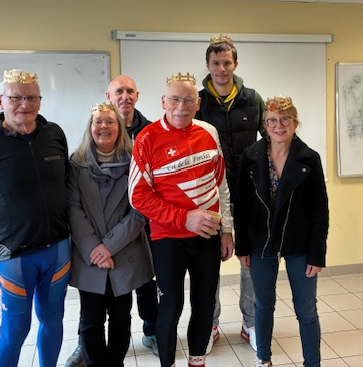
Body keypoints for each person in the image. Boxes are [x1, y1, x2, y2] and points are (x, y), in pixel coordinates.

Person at [0, 69, 71, 367]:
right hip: (15, 256)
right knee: (16, 330)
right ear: (0, 101)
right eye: (15, 97)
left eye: (31, 97)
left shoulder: (54, 134)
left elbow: (65, 183)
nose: (24, 104)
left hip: (58, 249)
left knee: (53, 320)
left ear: (40, 101)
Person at [128, 72, 234, 367]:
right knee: (171, 306)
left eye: (188, 100)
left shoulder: (209, 132)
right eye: (175, 99)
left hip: (208, 235)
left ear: (198, 103)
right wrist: (184, 218)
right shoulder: (147, 138)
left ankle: (197, 361)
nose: (181, 107)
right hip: (168, 239)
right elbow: (138, 196)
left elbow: (221, 185)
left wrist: (227, 230)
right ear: (164, 101)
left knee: (204, 305)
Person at [65, 75, 159, 367]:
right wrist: (95, 247)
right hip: (89, 255)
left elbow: (140, 210)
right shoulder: (76, 163)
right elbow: (72, 208)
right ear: (90, 127)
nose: (103, 126)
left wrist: (109, 246)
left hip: (124, 252)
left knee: (121, 317)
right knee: (90, 320)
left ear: (120, 128)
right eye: (98, 122)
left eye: (110, 122)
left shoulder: (136, 162)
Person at [233, 96, 329, 367]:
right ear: (265, 125)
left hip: (300, 244)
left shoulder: (309, 158)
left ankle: (312, 363)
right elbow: (241, 207)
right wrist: (242, 247)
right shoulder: (251, 156)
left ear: (295, 123)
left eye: (286, 119)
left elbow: (320, 210)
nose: (279, 125)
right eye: (272, 120)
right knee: (263, 305)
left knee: (306, 310)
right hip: (261, 242)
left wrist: (317, 254)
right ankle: (263, 359)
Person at [195, 34, 264, 352]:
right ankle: (210, 325)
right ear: (208, 65)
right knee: (209, 266)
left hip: (249, 195)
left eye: (226, 62)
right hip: (209, 198)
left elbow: (272, 137)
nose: (221, 69)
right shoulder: (197, 102)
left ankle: (250, 323)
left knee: (250, 263)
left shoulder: (253, 99)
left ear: (235, 64)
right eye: (215, 63)